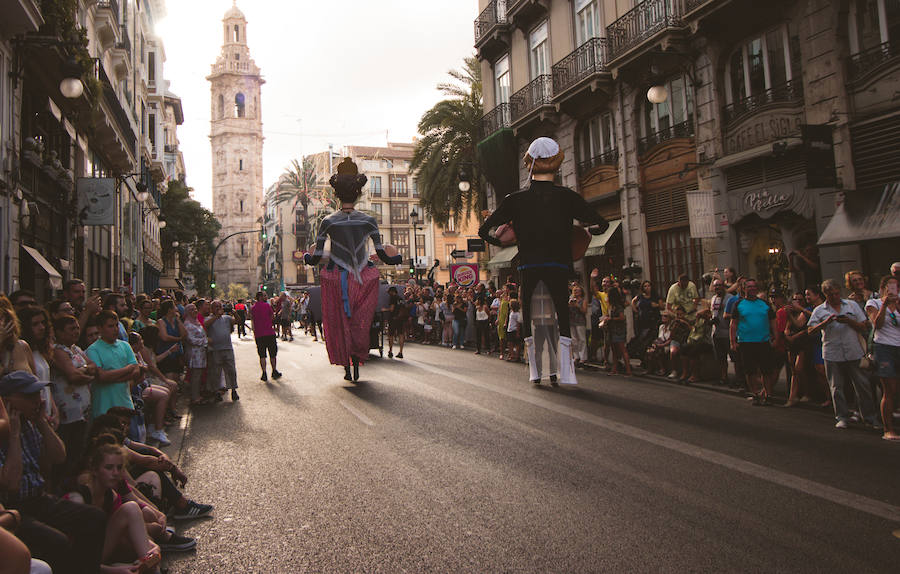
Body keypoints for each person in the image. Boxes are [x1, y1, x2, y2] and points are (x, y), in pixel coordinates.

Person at [478, 137, 608, 385]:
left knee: (528, 313)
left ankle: (535, 370)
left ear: (529, 164)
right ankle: (567, 372)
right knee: (562, 313)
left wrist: (501, 243)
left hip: (529, 265)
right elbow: (600, 222)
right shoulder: (567, 197)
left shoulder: (514, 200)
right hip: (558, 264)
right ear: (558, 163)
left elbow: (484, 230)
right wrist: (594, 231)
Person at [304, 158, 402, 382]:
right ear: (358, 193)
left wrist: (308, 257)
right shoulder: (369, 221)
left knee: (338, 323)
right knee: (360, 323)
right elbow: (383, 254)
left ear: (337, 193)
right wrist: (396, 257)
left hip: (335, 278)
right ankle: (358, 355)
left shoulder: (327, 221)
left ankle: (346, 363)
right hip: (363, 279)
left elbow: (316, 256)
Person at [0, 371, 106, 574]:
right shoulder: (6, 432)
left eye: (38, 395)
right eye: (29, 397)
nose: (37, 401)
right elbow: (11, 485)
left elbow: (59, 457)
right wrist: (13, 435)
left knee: (94, 518)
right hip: (16, 507)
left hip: (38, 499)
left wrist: (41, 422)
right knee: (57, 542)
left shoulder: (29, 424)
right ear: (8, 401)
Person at [64, 438, 162, 573]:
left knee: (131, 508)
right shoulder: (78, 499)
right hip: (77, 563)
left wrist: (154, 549)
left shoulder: (110, 494)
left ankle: (150, 567)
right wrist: (114, 570)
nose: (115, 473)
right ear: (94, 470)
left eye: (119, 468)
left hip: (99, 553)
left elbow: (130, 529)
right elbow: (74, 557)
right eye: (109, 467)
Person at [807, 278, 880, 429]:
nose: (835, 297)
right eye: (831, 295)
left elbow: (863, 326)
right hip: (832, 352)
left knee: (862, 385)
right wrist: (824, 323)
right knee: (836, 386)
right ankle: (842, 416)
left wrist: (848, 322)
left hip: (853, 350)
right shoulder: (820, 310)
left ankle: (869, 416)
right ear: (825, 294)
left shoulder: (851, 305)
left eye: (837, 294)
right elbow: (810, 330)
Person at [49, 314, 97, 484]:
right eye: (71, 329)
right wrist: (84, 373)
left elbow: (93, 367)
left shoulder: (76, 349)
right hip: (67, 411)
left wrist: (81, 371)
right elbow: (72, 376)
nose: (76, 331)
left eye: (77, 327)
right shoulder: (57, 350)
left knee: (79, 448)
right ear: (60, 332)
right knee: (68, 449)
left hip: (82, 410)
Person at [86, 310, 141, 418]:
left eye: (116, 325)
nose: (115, 329)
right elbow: (102, 376)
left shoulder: (125, 346)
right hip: (104, 408)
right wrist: (128, 369)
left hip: (125, 404)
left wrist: (112, 377)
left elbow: (136, 372)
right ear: (100, 328)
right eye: (110, 326)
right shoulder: (93, 349)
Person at [729, 278, 776, 405]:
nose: (752, 289)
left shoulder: (764, 304)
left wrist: (775, 336)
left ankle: (768, 395)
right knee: (750, 371)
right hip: (746, 342)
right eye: (749, 287)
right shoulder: (739, 304)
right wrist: (732, 341)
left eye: (754, 286)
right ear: (744, 289)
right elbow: (733, 324)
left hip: (763, 341)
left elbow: (772, 320)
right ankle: (755, 394)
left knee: (766, 370)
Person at [865, 275, 899, 440]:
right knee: (889, 389)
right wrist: (885, 305)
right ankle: (888, 429)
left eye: (897, 287)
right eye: (891, 287)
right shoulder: (874, 303)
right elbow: (877, 324)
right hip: (884, 347)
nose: (894, 290)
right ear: (884, 288)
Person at [205, 300, 239, 401]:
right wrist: (216, 316)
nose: (219, 308)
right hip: (216, 349)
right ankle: (216, 391)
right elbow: (205, 324)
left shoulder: (227, 318)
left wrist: (235, 313)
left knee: (231, 370)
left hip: (227, 348)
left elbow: (237, 321)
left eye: (220, 306)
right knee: (216, 372)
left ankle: (233, 389)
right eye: (216, 307)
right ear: (212, 309)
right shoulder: (209, 319)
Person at [250, 291, 281, 382]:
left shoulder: (253, 308)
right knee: (272, 354)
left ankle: (264, 373)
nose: (266, 297)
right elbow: (272, 317)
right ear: (260, 297)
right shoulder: (267, 306)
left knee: (262, 355)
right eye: (264, 296)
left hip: (259, 334)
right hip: (269, 333)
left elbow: (251, 319)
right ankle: (274, 371)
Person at [182, 304, 209, 407]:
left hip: (201, 352)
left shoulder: (197, 322)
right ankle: (194, 397)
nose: (194, 311)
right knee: (195, 376)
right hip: (194, 353)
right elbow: (191, 339)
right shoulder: (188, 324)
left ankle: (197, 395)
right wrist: (204, 341)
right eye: (192, 310)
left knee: (199, 375)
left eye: (195, 309)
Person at [709, 279, 735, 386]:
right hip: (716, 332)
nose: (717, 288)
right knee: (720, 358)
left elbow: (734, 315)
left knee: (734, 357)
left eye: (719, 285)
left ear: (723, 286)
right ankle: (724, 378)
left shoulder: (730, 298)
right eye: (715, 286)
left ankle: (739, 380)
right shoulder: (713, 299)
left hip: (727, 332)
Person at [386, 286, 407, 358]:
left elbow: (391, 309)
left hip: (393, 318)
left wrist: (385, 309)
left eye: (389, 292)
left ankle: (390, 351)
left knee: (391, 335)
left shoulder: (392, 298)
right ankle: (401, 352)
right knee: (401, 334)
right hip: (400, 319)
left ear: (392, 292)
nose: (388, 293)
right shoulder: (400, 298)